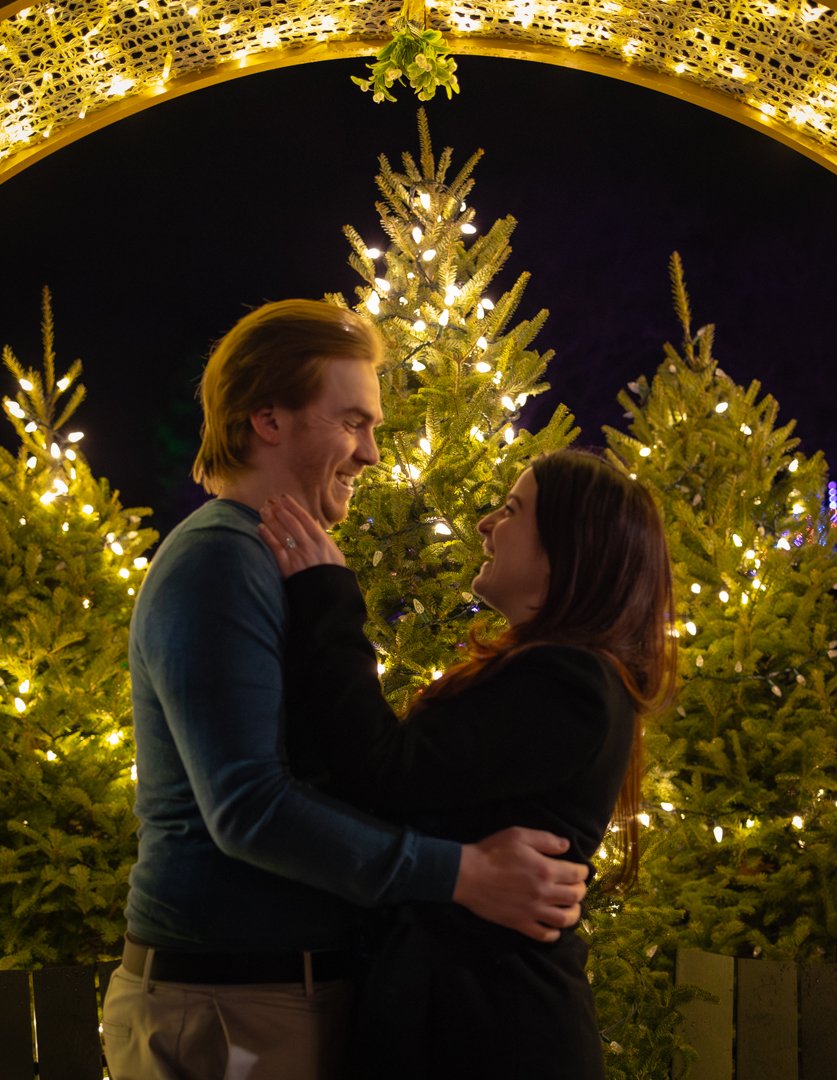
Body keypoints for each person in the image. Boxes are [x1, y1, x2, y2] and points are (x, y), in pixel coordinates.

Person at [101, 300, 589, 1080]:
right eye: (353, 422)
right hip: (234, 1009)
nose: (370, 454)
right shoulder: (218, 562)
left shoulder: (272, 565)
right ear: (268, 418)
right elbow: (247, 808)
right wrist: (464, 875)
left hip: (278, 996)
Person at [258, 447, 677, 1080]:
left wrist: (328, 594)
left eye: (511, 509)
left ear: (568, 548)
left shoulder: (570, 682)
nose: (485, 523)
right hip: (466, 1018)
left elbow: (383, 772)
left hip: (489, 1032)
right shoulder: (560, 674)